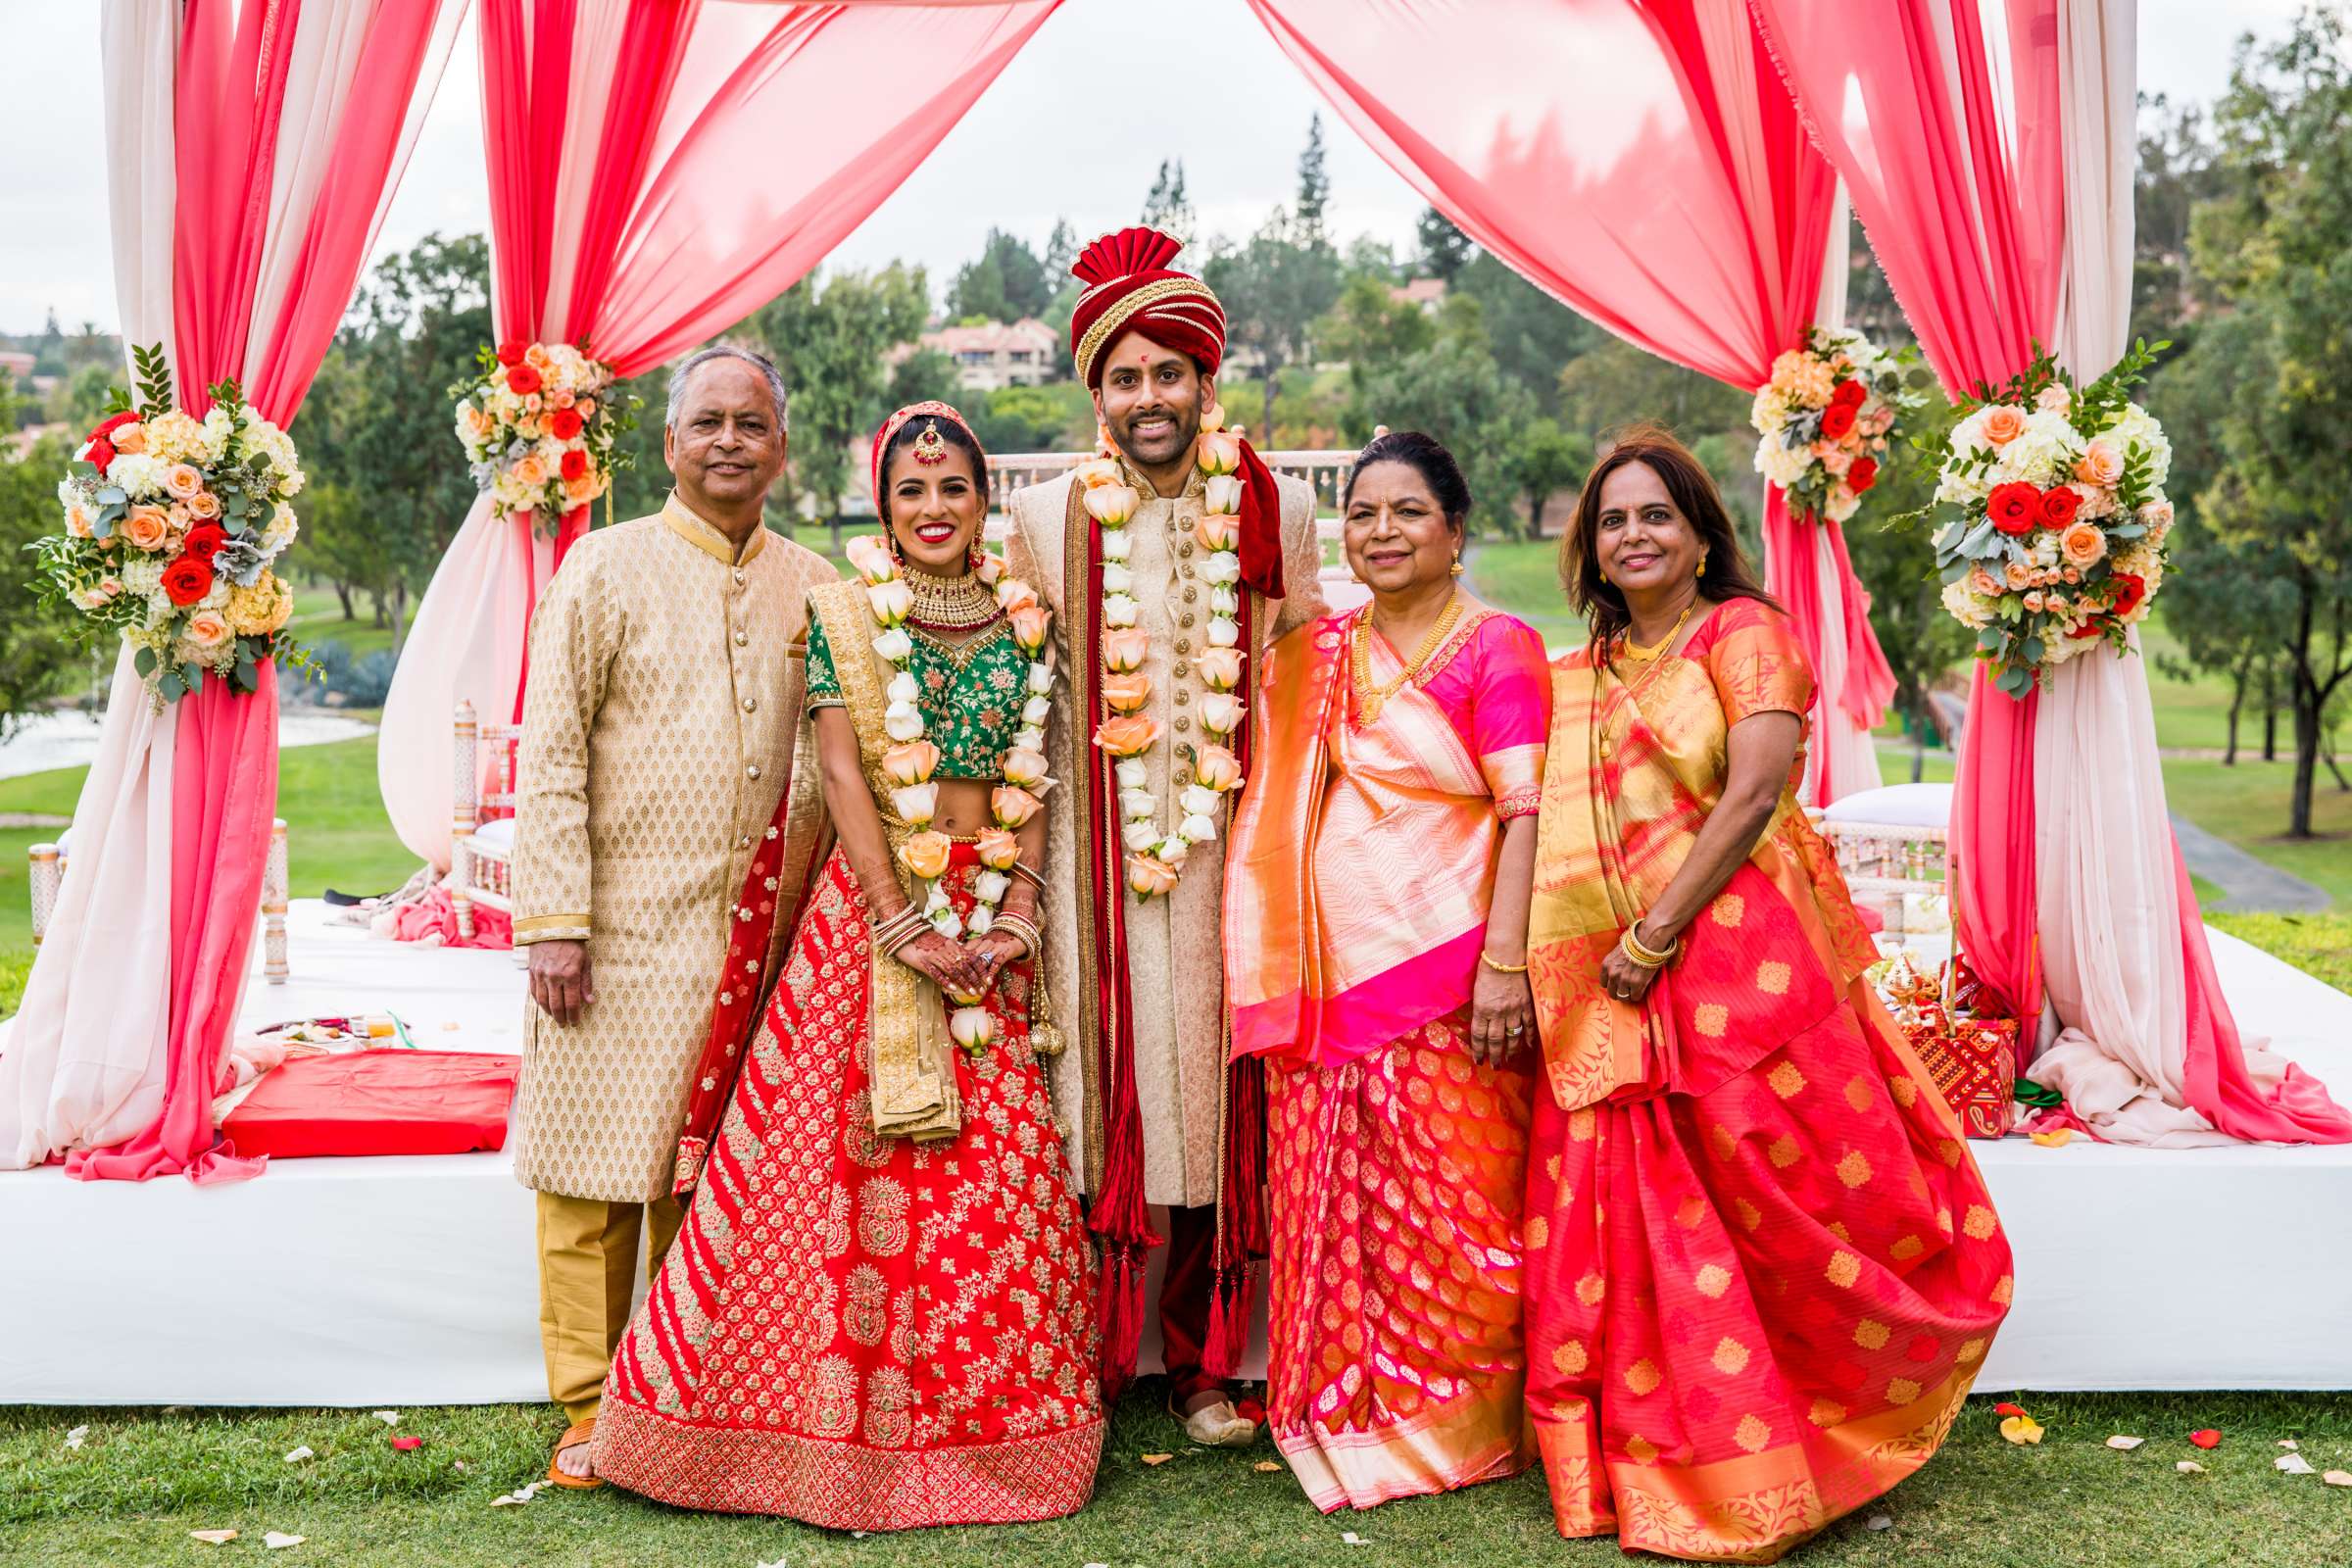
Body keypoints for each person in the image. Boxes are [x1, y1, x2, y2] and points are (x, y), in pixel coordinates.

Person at [589, 402, 1104, 1527]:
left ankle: (1002, 1439)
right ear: (885, 504)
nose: (933, 508)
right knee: (833, 1177)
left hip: (991, 912)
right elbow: (841, 772)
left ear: (983, 503)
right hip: (872, 923)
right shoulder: (843, 614)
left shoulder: (1031, 619)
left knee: (995, 1173)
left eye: (954, 488)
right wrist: (900, 922)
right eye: (911, 491)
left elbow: (1045, 765)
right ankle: (804, 1436)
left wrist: (1017, 905)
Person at [1521, 426, 2012, 1561]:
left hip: (1742, 975)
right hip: (1615, 992)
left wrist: (1651, 937)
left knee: (1785, 1198)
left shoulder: (1746, 634)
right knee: (1659, 1222)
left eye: (1656, 515)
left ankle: (1824, 1419)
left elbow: (1751, 797)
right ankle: (1678, 1447)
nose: (1632, 534)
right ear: (1590, 551)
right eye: (1612, 520)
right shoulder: (1584, 671)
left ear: (1701, 537)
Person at [1007, 225, 1328, 1446]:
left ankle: (1199, 1364)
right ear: (1097, 394)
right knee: (1093, 1092)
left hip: (1229, 862)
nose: (1151, 398)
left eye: (1169, 373)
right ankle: (1085, 1357)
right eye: (1126, 377)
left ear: (1207, 381)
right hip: (1089, 866)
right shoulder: (1042, 517)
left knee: (1211, 1097)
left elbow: (1299, 681)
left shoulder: (1274, 507)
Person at [508, 345, 835, 1490]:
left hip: (761, 936)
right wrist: (555, 916)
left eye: (752, 423)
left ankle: (679, 1390)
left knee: (706, 1179)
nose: (731, 441)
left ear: (782, 446)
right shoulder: (602, 569)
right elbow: (546, 751)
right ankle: (591, 1405)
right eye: (708, 423)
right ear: (669, 444)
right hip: (616, 925)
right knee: (591, 1173)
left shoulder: (818, 584)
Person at [1225, 432, 1549, 1510]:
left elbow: (1528, 814)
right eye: (1363, 513)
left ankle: (1462, 1414)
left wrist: (1505, 963)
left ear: (1457, 529)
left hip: (1452, 978)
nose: (1382, 531)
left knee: (1457, 1207)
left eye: (1408, 511)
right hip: (1326, 988)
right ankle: (1347, 1413)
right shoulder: (1313, 652)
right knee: (1334, 1205)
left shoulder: (1497, 645)